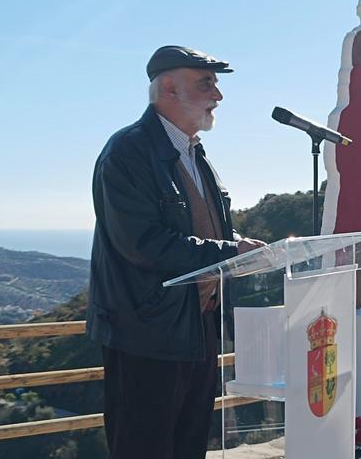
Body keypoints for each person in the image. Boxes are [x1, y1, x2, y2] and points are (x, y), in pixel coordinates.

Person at [87, 45, 266, 459]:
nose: (218, 96)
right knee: (145, 447)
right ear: (169, 88)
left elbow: (198, 227)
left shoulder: (193, 151)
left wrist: (241, 248)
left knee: (188, 445)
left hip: (196, 325)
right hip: (147, 332)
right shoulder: (127, 152)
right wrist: (229, 249)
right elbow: (143, 243)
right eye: (207, 83)